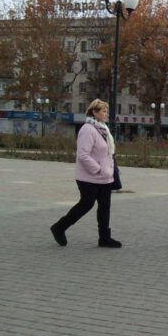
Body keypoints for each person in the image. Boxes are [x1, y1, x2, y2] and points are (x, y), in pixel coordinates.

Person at [50, 99, 122, 248]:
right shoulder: (87, 129)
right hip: (89, 177)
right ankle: (59, 227)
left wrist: (108, 171)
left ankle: (104, 238)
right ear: (94, 112)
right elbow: (83, 155)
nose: (106, 114)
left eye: (106, 111)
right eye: (103, 111)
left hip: (105, 178)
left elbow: (107, 153)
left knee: (105, 206)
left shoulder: (103, 129)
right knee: (86, 205)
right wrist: (98, 169)